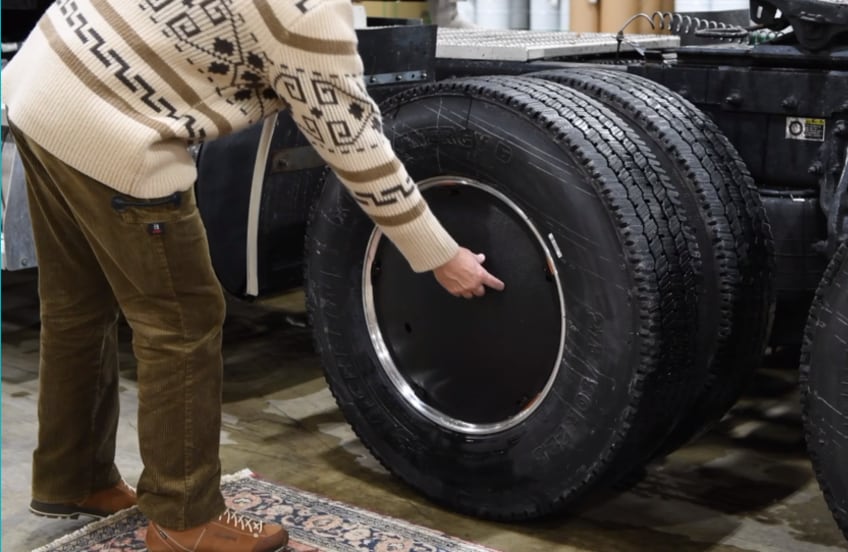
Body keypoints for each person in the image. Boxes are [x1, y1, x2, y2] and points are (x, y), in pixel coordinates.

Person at [1, 1, 504, 551]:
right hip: (112, 128)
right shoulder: (309, 14)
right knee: (182, 323)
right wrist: (437, 253)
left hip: (43, 80)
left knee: (78, 306)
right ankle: (184, 517)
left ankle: (77, 480)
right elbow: (352, 142)